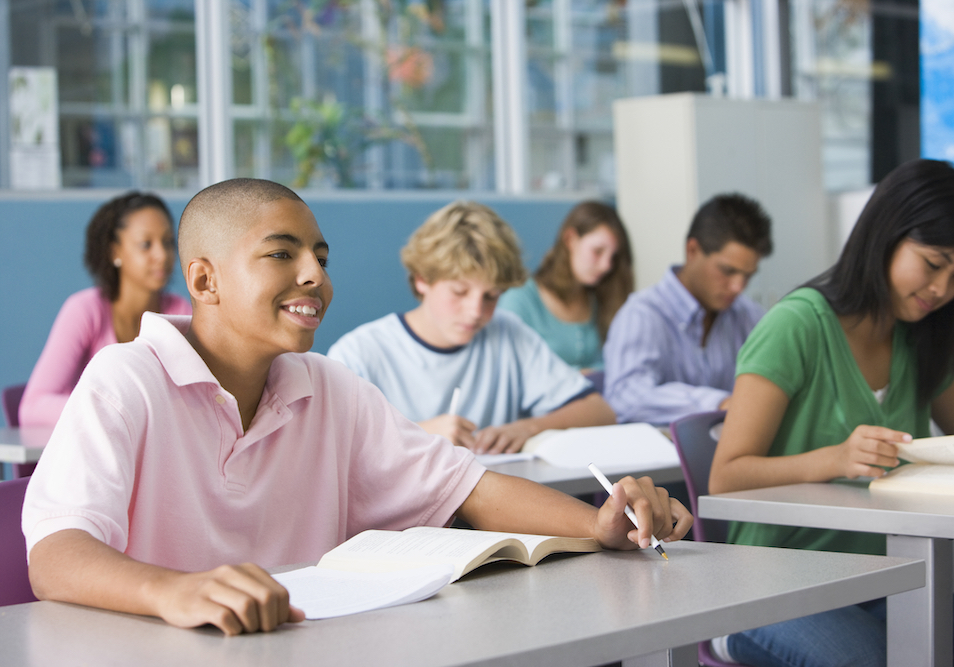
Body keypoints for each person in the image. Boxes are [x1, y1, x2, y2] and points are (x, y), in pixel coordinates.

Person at [21, 179, 692, 636]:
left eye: (319, 255)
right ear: (204, 279)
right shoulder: (126, 377)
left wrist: (604, 523)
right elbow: (55, 555)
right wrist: (174, 591)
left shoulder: (328, 387)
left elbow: (472, 489)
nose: (314, 274)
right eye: (282, 254)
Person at [708, 159, 954, 667]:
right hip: (769, 582)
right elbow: (726, 476)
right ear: (886, 235)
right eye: (933, 264)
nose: (942, 290)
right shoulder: (797, 325)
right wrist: (835, 459)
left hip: (879, 577)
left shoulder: (919, 335)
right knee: (868, 660)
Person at [328, 201, 617, 454]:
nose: (476, 311)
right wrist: (418, 433)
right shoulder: (359, 353)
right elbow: (328, 445)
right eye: (459, 292)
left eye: (491, 296)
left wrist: (528, 428)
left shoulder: (509, 334)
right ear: (422, 280)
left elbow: (599, 412)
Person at [19, 192, 191, 427]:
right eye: (145, 245)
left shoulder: (179, 311)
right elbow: (33, 407)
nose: (162, 255)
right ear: (114, 252)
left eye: (168, 242)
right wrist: (116, 411)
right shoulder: (84, 310)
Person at [603, 193, 773, 425]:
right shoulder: (643, 314)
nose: (737, 287)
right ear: (692, 250)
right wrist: (718, 404)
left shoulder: (747, 315)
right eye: (727, 271)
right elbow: (625, 398)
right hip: (662, 457)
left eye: (747, 276)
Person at [497, 201, 633, 371]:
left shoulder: (599, 298)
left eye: (613, 257)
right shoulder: (520, 299)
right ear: (570, 240)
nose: (607, 265)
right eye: (597, 251)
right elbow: (512, 370)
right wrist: (580, 376)